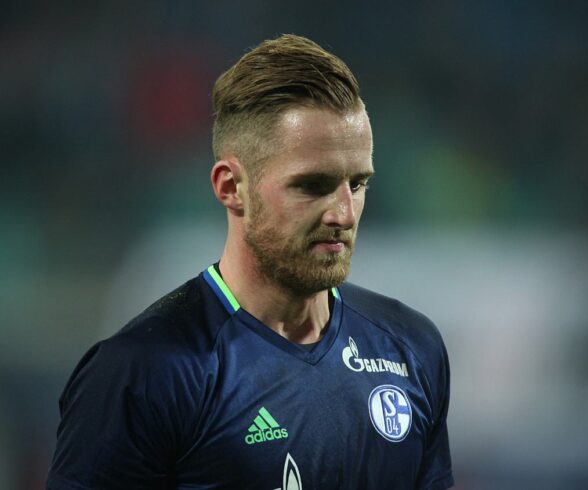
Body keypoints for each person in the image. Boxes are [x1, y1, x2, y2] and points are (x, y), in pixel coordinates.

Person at [47, 34, 454, 490]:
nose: (343, 214)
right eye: (312, 185)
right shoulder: (145, 373)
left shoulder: (410, 348)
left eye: (357, 184)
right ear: (230, 187)